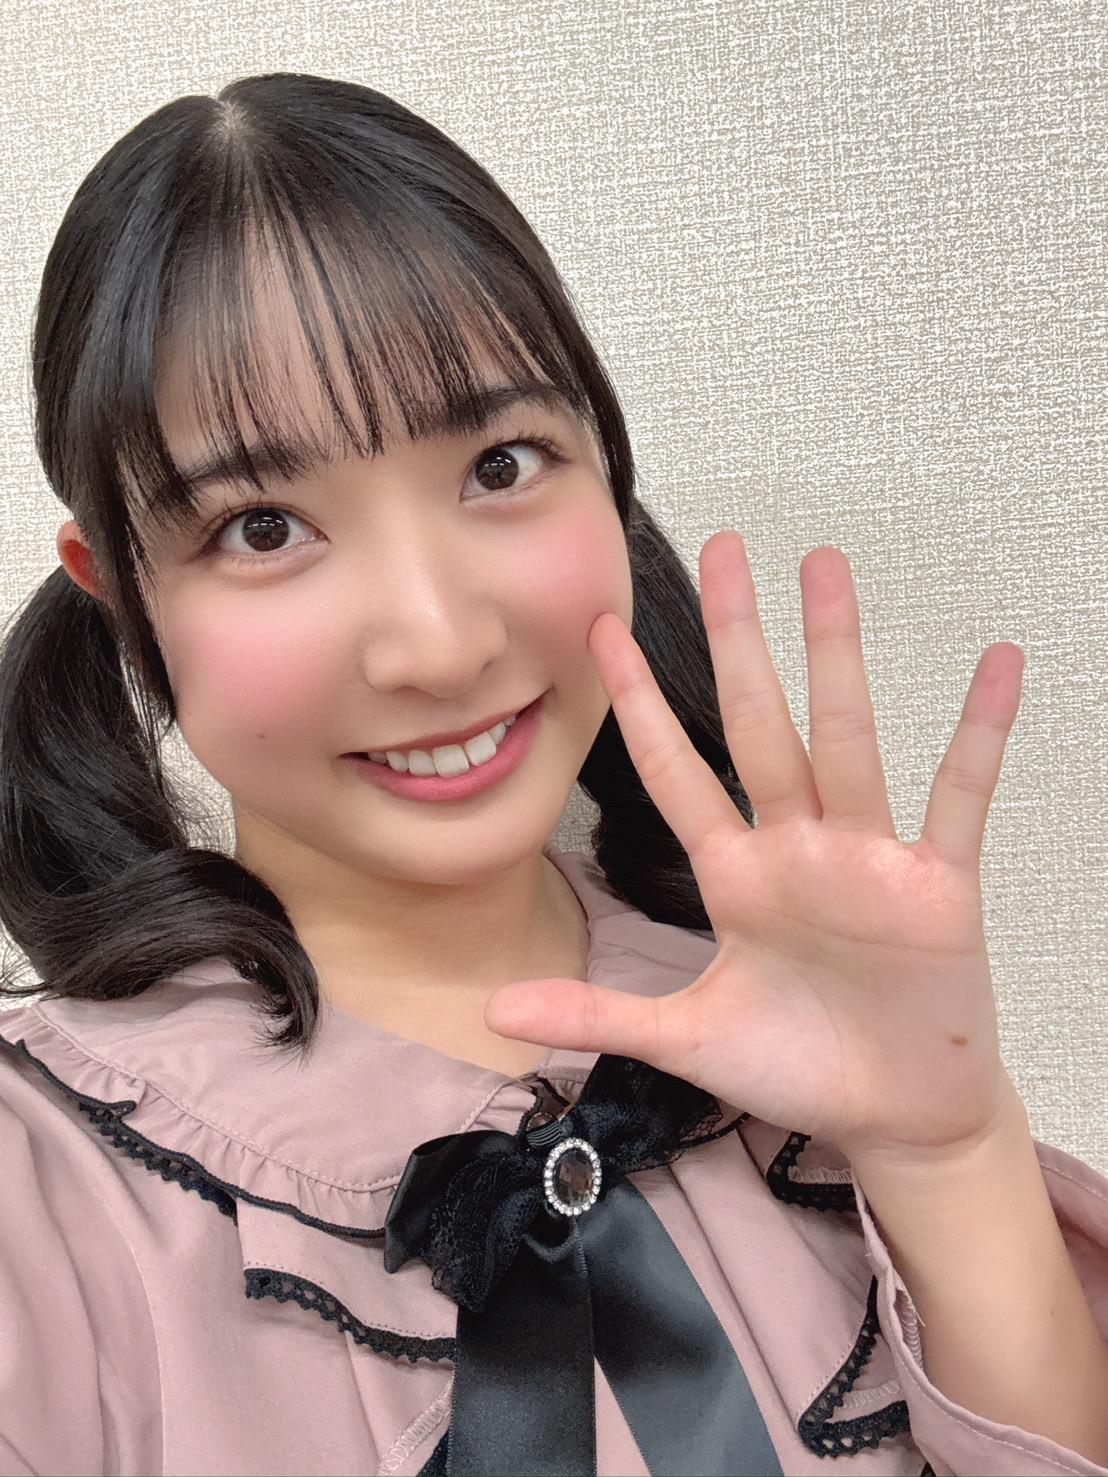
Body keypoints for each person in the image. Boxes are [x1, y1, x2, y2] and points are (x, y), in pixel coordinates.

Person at [0, 71, 1105, 1477]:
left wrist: (949, 1149)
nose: (440, 643)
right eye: (263, 527)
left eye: (501, 463)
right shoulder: (40, 1192)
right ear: (119, 590)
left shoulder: (798, 1019)